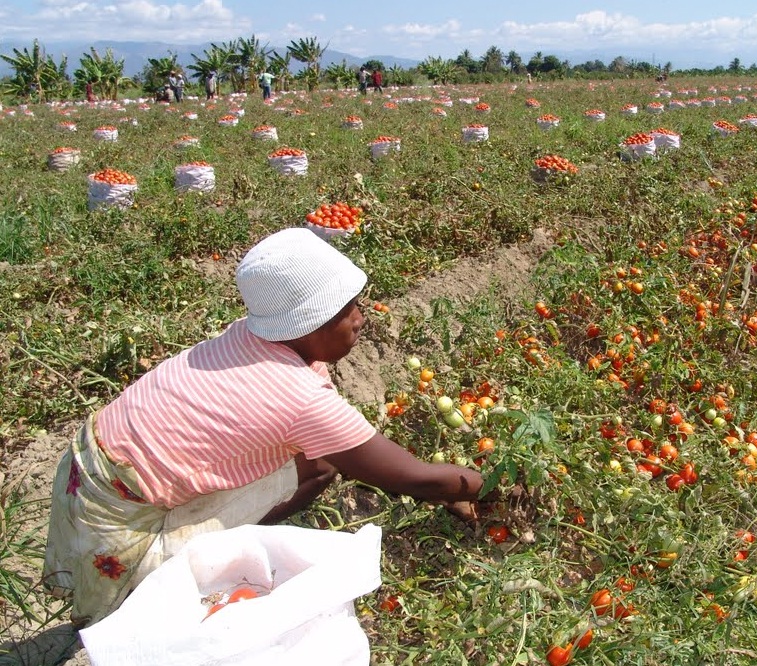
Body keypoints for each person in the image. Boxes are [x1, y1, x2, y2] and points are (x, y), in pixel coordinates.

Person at [43, 228, 489, 628]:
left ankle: (218, 546)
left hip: (87, 463)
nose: (360, 318)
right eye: (345, 310)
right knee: (145, 617)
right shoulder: (297, 396)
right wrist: (492, 487)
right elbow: (414, 477)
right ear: (306, 324)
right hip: (120, 517)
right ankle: (179, 583)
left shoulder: (251, 335)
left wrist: (443, 487)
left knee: (318, 460)